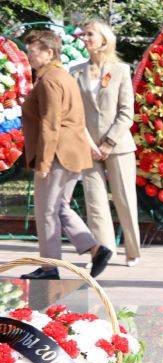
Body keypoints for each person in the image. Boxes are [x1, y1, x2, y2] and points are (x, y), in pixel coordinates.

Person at [20, 30, 112, 279]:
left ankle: (50, 269)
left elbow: (51, 124)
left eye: (33, 50)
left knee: (46, 211)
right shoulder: (61, 75)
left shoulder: (50, 79)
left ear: (50, 52)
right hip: (72, 153)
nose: (29, 55)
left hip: (58, 154)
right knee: (59, 207)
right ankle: (95, 249)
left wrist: (44, 162)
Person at [71, 19, 141, 268]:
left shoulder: (121, 70)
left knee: (124, 198)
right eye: (85, 34)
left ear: (104, 39)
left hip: (118, 145)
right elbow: (75, 113)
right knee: (94, 202)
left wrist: (109, 142)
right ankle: (103, 253)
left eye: (91, 34)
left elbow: (126, 112)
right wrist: (89, 143)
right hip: (87, 146)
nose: (86, 38)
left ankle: (133, 251)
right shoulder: (75, 72)